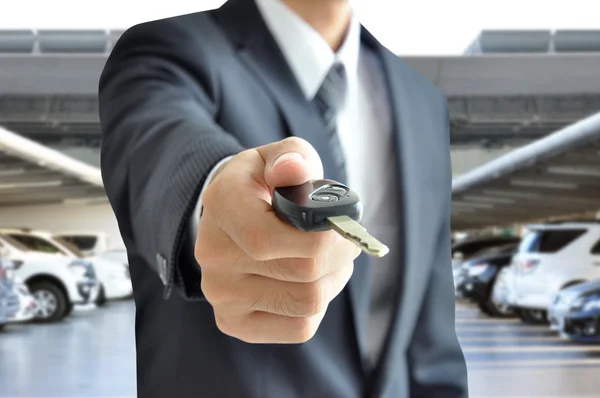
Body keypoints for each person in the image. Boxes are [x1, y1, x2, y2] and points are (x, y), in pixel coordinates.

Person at [98, 0, 469, 397]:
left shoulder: (424, 102)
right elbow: (162, 148)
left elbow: (431, 347)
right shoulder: (165, 50)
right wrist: (213, 198)